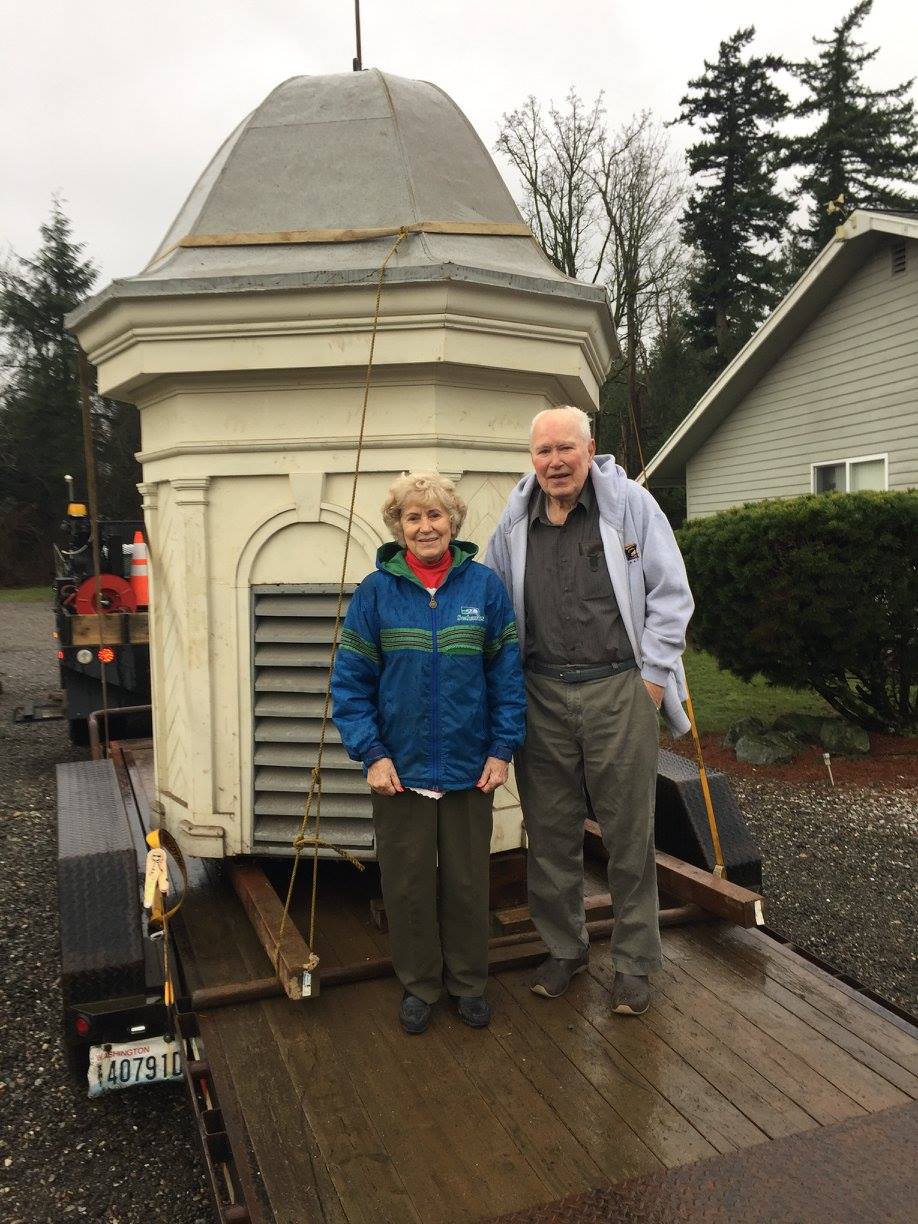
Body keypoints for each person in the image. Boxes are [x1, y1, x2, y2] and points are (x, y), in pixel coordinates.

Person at [484, 407, 693, 1016]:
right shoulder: (514, 521)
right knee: (549, 833)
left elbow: (672, 595)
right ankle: (564, 949)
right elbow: (497, 607)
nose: (554, 461)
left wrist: (651, 683)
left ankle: (633, 964)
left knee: (629, 834)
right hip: (541, 694)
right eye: (543, 451)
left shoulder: (631, 507)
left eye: (565, 449)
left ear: (589, 449)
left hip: (617, 690)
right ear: (533, 459)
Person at [331, 472, 526, 1034]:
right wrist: (371, 753)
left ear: (453, 523)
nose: (425, 527)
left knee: (468, 882)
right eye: (413, 517)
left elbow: (506, 677)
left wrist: (501, 748)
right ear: (399, 527)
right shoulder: (376, 592)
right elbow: (350, 683)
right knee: (408, 883)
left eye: (435, 515)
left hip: (471, 769)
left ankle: (468, 983)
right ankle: (419, 985)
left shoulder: (483, 589)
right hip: (400, 769)